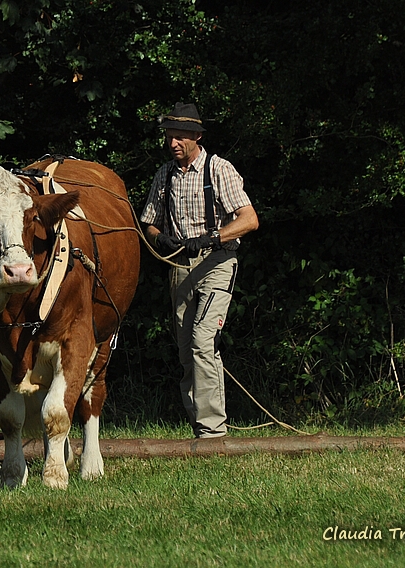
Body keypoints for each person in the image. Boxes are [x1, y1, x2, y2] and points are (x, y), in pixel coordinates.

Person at [140, 102, 259, 438]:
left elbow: (249, 219)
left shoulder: (219, 169)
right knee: (185, 349)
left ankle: (213, 430)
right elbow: (149, 223)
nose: (172, 144)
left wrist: (212, 237)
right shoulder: (164, 174)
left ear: (196, 136)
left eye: (179, 138)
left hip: (216, 263)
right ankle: (199, 424)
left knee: (203, 341)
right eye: (169, 137)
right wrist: (161, 238)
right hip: (179, 266)